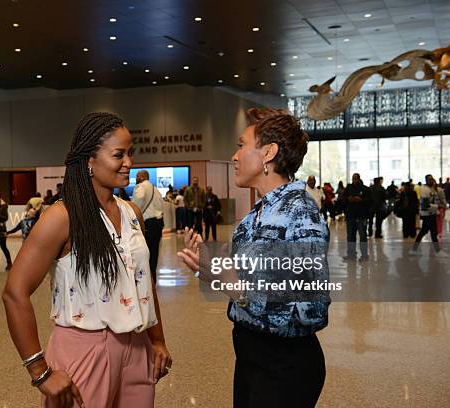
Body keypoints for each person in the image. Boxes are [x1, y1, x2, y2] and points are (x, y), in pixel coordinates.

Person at [2, 112, 171, 407]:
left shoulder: (133, 213)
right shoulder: (61, 217)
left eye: (130, 153)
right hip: (84, 350)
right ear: (90, 160)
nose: (129, 162)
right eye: (119, 154)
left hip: (137, 348)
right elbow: (14, 293)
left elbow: (144, 281)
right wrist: (40, 372)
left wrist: (157, 340)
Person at [178, 107, 329, 407]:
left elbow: (313, 308)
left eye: (241, 145)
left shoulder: (299, 213)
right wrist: (212, 271)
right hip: (252, 357)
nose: (234, 156)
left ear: (268, 153)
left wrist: (239, 289)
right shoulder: (258, 214)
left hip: (283, 368)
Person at [132, 169, 164, 283]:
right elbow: (161, 205)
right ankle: (152, 279)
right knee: (154, 252)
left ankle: (145, 280)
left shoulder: (140, 187)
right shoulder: (156, 189)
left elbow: (136, 204)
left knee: (144, 253)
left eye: (137, 176)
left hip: (147, 224)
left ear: (141, 177)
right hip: (158, 223)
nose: (135, 178)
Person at [411, 175, 446, 255]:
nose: (431, 180)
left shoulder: (432, 189)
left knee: (433, 233)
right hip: (427, 215)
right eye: (429, 179)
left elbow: (434, 201)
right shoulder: (425, 190)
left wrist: (436, 211)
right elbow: (425, 205)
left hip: (432, 214)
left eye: (432, 179)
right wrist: (438, 207)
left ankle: (437, 251)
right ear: (426, 180)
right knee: (425, 232)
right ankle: (414, 249)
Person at [342, 173, 371, 261]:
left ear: (359, 179)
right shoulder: (348, 188)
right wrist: (348, 199)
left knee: (362, 235)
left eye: (356, 178)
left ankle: (364, 255)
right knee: (350, 236)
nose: (354, 180)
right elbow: (343, 199)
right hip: (351, 216)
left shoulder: (365, 189)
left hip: (361, 216)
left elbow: (370, 200)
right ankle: (351, 255)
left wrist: (361, 200)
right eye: (353, 178)